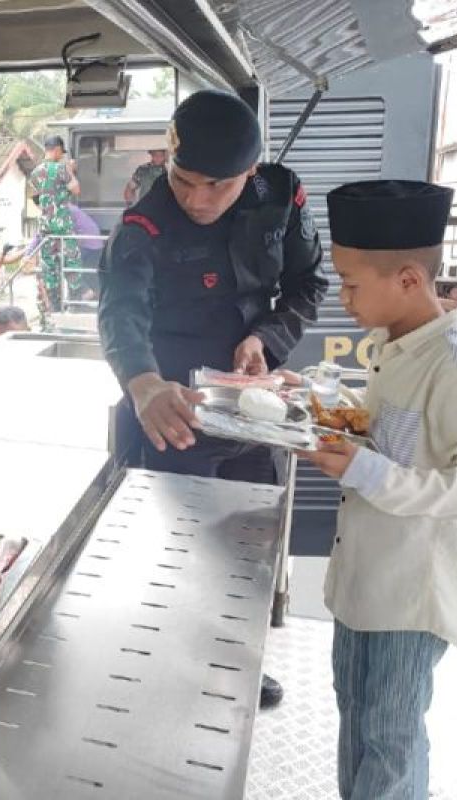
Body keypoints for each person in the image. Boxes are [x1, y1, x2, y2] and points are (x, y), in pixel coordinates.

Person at [98, 89, 327, 710]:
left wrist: (266, 337)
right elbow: (119, 311)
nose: (197, 200)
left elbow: (309, 283)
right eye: (184, 180)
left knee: (246, 548)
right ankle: (166, 676)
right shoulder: (146, 216)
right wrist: (143, 384)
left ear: (250, 173)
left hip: (251, 405)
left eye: (217, 186)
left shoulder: (280, 197)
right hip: (170, 408)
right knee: (171, 551)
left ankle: (236, 665)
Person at [301, 179, 457, 800]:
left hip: (410, 597)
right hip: (366, 581)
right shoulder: (396, 347)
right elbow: (390, 440)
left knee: (390, 738)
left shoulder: (456, 364)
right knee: (358, 723)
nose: (344, 297)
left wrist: (364, 471)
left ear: (410, 280)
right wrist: (325, 424)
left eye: (351, 283)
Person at [29, 134, 81, 329]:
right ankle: (76, 300)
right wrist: (71, 171)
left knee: (50, 266)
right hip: (62, 224)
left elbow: (35, 196)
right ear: (58, 149)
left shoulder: (36, 172)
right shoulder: (61, 168)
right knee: (72, 259)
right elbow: (76, 190)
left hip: (45, 226)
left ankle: (56, 305)